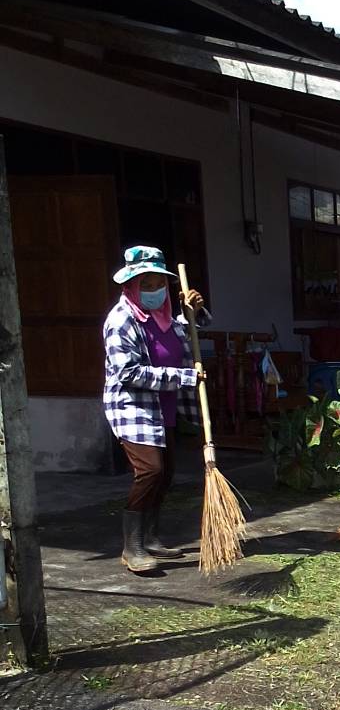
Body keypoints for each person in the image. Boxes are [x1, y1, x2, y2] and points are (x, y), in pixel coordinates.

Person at [102, 245, 206, 575]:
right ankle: (131, 548)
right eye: (144, 285)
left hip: (164, 408)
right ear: (130, 287)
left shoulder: (165, 319)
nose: (152, 291)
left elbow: (186, 333)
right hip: (133, 407)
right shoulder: (120, 322)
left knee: (167, 474)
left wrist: (195, 312)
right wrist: (186, 377)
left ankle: (150, 538)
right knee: (150, 471)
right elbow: (129, 373)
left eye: (158, 284)